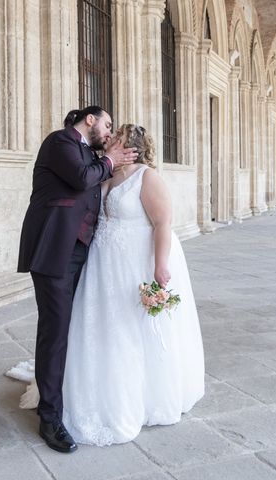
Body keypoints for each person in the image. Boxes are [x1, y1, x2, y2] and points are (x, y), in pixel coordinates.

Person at [61, 124, 204, 446]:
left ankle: (142, 396)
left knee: (133, 327)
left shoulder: (146, 177)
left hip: (136, 260)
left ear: (132, 147)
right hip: (103, 262)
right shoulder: (107, 175)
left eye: (117, 137)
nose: (109, 139)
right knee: (102, 325)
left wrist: (160, 265)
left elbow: (163, 222)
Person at [17, 106, 138, 453]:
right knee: (55, 333)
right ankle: (50, 418)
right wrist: (112, 159)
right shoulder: (60, 142)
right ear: (90, 120)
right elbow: (83, 179)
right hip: (55, 251)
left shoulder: (88, 152)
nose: (109, 133)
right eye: (107, 124)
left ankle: (71, 396)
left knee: (76, 329)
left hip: (82, 251)